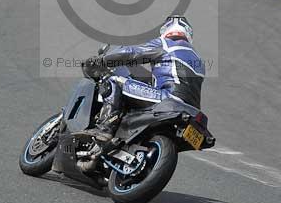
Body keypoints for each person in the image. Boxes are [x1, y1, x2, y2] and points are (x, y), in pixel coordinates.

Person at [82, 15, 205, 148]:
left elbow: (132, 53)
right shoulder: (198, 59)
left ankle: (104, 128)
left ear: (166, 30)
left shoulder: (167, 43)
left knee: (113, 80)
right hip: (191, 112)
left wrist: (103, 60)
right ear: (188, 33)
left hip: (169, 99)